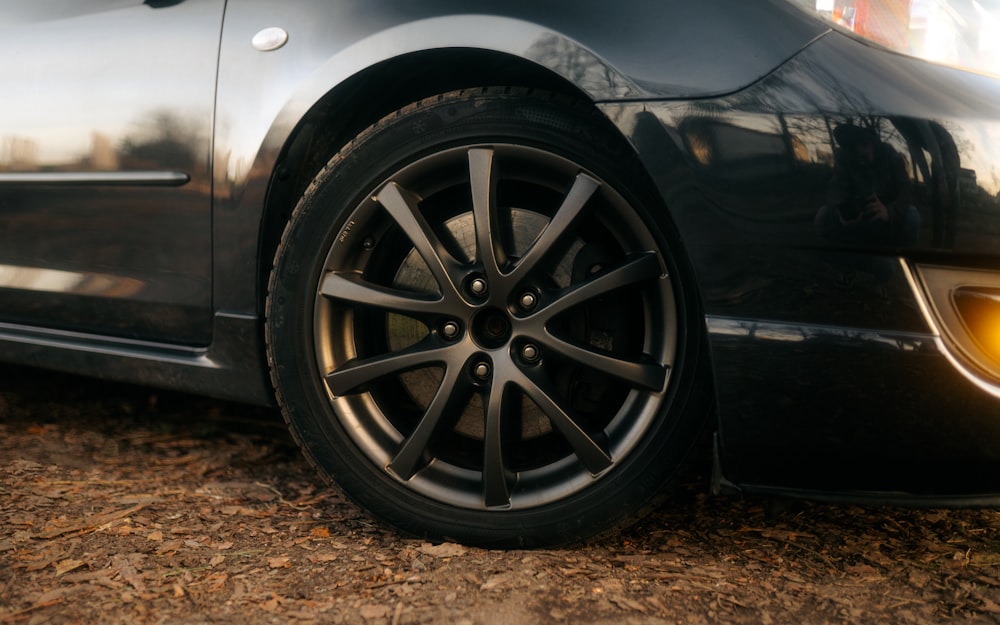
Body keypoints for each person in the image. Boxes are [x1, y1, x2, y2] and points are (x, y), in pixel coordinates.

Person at [815, 123, 919, 246]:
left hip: (887, 208)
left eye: (864, 156)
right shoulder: (845, 158)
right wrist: (840, 211)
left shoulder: (891, 156)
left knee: (912, 216)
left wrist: (890, 211)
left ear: (870, 143)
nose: (862, 162)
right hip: (859, 210)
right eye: (856, 157)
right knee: (823, 215)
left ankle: (904, 254)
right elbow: (835, 189)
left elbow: (906, 189)